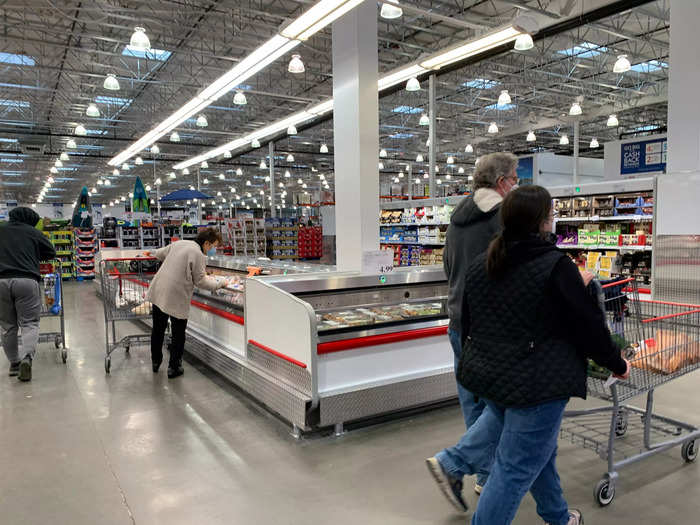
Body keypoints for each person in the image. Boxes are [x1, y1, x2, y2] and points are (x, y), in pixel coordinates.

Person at [457, 185, 630, 525]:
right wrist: (616, 362)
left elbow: (468, 325)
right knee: (513, 469)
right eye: (551, 214)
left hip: (495, 379)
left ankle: (558, 517)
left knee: (537, 454)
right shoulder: (555, 266)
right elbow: (588, 326)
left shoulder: (483, 263)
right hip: (539, 385)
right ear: (543, 221)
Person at [426, 152, 519, 510]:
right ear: (500, 183)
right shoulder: (504, 218)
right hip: (493, 327)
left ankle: (484, 474)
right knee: (502, 404)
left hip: (459, 321)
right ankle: (457, 464)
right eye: (514, 179)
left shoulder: (456, 218)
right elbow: (513, 272)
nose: (516, 186)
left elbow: (450, 267)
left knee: (472, 402)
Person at [146, 228, 229, 378]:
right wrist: (221, 282)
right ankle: (174, 367)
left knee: (158, 328)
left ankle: (155, 361)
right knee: (178, 333)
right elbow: (201, 281)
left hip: (159, 289)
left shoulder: (180, 243)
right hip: (176, 295)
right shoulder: (198, 254)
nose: (213, 250)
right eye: (213, 246)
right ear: (206, 243)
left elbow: (159, 253)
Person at [0, 207, 56, 381]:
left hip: (0, 281)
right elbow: (51, 252)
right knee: (29, 323)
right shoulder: (32, 232)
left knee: (8, 326)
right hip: (26, 280)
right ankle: (27, 359)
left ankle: (14, 364)